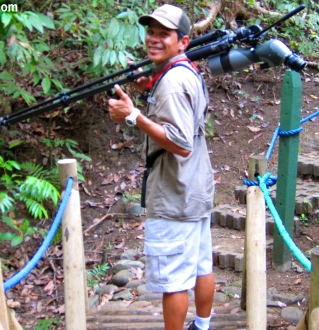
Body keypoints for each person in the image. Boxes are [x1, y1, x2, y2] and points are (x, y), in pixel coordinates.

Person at [107, 4, 215, 330]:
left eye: (163, 34)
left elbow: (180, 143)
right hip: (195, 187)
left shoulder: (172, 82)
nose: (153, 39)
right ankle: (203, 325)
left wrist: (132, 115)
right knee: (200, 265)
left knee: (174, 281)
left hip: (175, 192)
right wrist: (147, 88)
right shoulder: (182, 71)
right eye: (151, 31)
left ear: (182, 41)